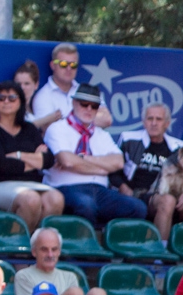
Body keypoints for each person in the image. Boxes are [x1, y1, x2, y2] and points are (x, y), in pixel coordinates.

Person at [42, 83, 146, 225]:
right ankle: (84, 246)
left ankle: (111, 245)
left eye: (94, 106)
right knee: (86, 205)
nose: (89, 109)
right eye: (84, 104)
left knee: (138, 208)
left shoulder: (101, 134)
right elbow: (67, 161)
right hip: (65, 187)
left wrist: (82, 158)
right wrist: (102, 168)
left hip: (100, 190)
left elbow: (118, 161)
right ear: (74, 103)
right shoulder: (57, 128)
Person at [0, 79, 63, 230]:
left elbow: (49, 160)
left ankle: (38, 246)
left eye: (12, 98)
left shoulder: (29, 129)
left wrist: (18, 155)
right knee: (31, 199)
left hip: (31, 183)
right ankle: (17, 247)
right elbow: (1, 164)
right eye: (1, 98)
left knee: (56, 199)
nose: (6, 102)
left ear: (20, 102)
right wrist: (35, 159)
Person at [117, 101, 183, 241]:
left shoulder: (178, 147)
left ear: (167, 123)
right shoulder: (129, 140)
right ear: (143, 121)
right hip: (139, 195)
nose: (154, 123)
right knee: (167, 201)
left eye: (159, 119)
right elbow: (114, 170)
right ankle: (159, 255)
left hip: (173, 194)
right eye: (150, 118)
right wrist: (123, 187)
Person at [28, 43, 111, 133]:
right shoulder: (42, 96)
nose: (69, 68)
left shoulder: (87, 91)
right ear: (53, 65)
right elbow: (50, 130)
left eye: (73, 65)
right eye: (63, 64)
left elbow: (106, 120)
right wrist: (88, 117)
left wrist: (67, 119)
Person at [14, 59, 59, 131]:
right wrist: (48, 119)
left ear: (36, 85)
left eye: (27, 84)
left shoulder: (35, 107)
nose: (22, 88)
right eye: (19, 84)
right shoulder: (10, 107)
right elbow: (19, 130)